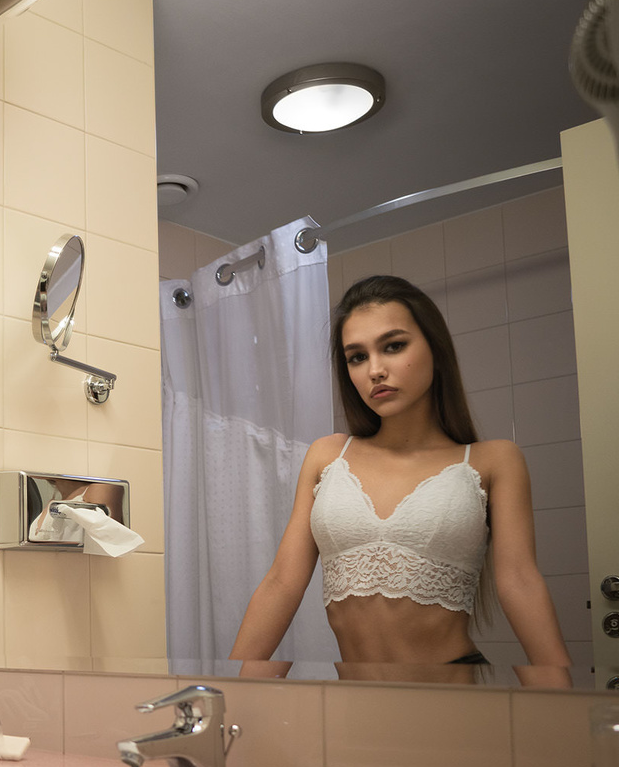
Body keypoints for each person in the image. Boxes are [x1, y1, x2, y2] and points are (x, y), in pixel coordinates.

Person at [229, 275, 571, 676]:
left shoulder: (491, 461)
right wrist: (220, 688)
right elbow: (282, 583)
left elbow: (519, 581)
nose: (375, 370)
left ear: (435, 349)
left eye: (393, 346)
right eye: (357, 357)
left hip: (454, 698)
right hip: (355, 705)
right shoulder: (327, 456)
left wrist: (560, 698)